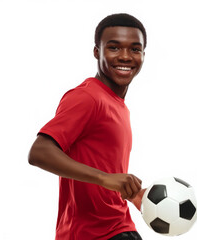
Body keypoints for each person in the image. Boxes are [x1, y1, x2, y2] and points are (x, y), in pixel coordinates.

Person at [28, 13, 147, 240]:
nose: (125, 56)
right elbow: (39, 151)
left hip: (118, 226)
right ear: (96, 52)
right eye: (114, 48)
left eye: (134, 49)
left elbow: (101, 170)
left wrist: (130, 193)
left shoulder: (117, 105)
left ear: (143, 55)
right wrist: (105, 178)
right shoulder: (87, 97)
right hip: (93, 234)